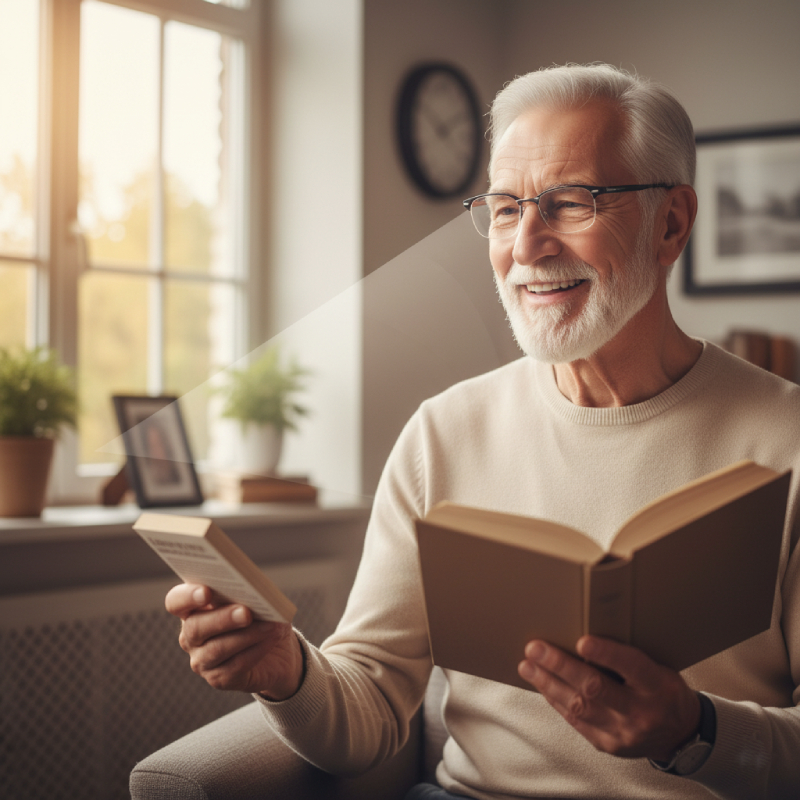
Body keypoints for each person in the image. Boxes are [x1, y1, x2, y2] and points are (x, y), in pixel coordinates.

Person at [166, 63, 800, 799]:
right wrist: (288, 672)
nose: (526, 245)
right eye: (505, 208)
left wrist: (694, 732)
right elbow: (365, 710)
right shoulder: (443, 434)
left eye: (570, 203)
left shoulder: (785, 436)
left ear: (672, 224)